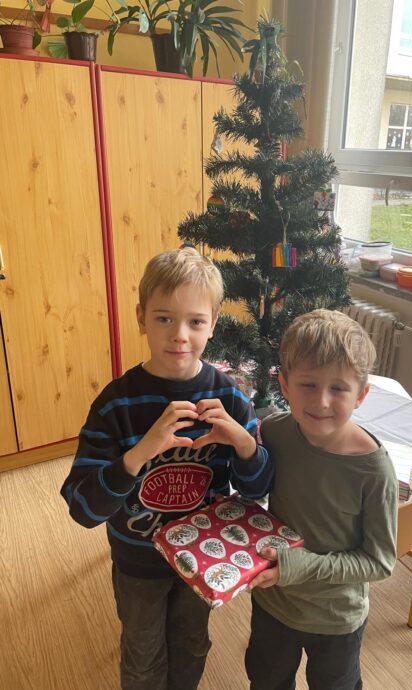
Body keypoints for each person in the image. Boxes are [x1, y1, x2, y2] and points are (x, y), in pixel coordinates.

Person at [61, 247, 272, 690]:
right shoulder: (116, 404)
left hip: (203, 556)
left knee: (192, 643)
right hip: (138, 561)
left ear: (213, 324)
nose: (179, 335)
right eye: (163, 318)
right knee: (142, 656)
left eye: (195, 321)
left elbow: (257, 489)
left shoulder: (231, 399)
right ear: (141, 318)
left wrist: (243, 443)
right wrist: (139, 453)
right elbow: (83, 508)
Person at [246, 309, 398, 690]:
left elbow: (379, 561)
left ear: (361, 395)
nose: (322, 402)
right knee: (266, 681)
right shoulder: (274, 432)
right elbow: (254, 490)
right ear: (284, 385)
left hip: (336, 618)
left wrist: (301, 565)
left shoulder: (374, 470)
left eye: (339, 389)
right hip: (273, 603)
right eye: (308, 384)